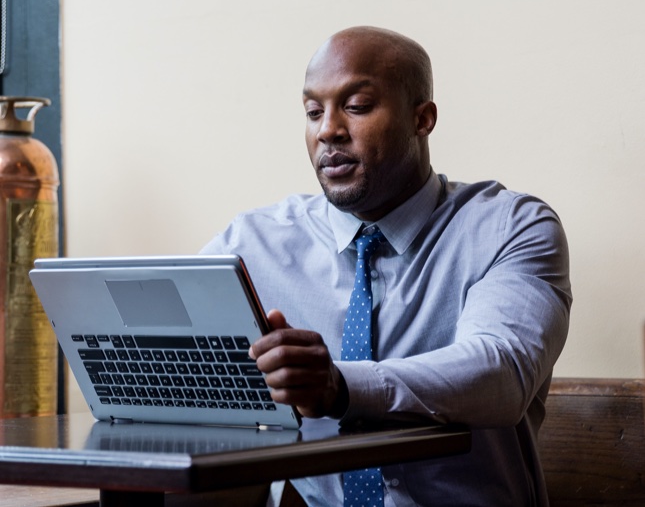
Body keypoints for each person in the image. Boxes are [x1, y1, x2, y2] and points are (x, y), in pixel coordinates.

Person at [201, 26, 572, 507]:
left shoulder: (511, 227)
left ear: (422, 119)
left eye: (355, 107)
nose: (328, 130)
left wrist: (340, 386)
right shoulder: (254, 243)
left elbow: (499, 372)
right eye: (313, 112)